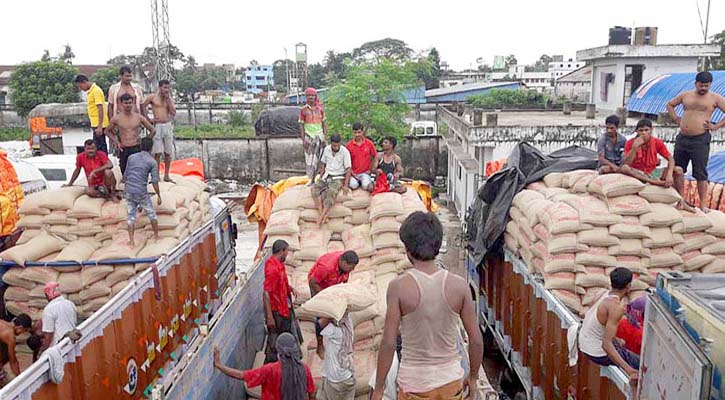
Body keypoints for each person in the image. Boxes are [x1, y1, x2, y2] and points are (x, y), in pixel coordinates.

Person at [372, 212, 483, 400]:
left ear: (408, 250)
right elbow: (476, 340)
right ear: (438, 246)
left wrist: (379, 389)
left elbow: (389, 343)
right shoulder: (459, 286)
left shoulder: (398, 287)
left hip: (414, 386)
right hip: (451, 383)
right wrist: (472, 377)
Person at [667, 71, 725, 212]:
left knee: (700, 173)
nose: (703, 88)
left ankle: (703, 205)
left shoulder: (715, 98)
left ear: (710, 85)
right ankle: (678, 199)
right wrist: (676, 118)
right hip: (683, 138)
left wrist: (715, 126)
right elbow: (670, 104)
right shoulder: (686, 95)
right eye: (701, 85)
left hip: (700, 139)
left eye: (706, 86)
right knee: (678, 170)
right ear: (696, 83)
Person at [213, 332, 316, 400]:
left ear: (278, 351)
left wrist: (219, 365)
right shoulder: (304, 369)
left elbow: (241, 375)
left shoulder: (270, 370)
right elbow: (311, 392)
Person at [579, 267, 640, 379]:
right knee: (641, 364)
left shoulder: (601, 293)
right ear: (628, 287)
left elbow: (597, 322)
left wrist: (616, 340)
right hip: (597, 353)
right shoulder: (616, 308)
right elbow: (606, 345)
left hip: (584, 344)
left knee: (622, 347)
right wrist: (629, 370)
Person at [620, 119, 690, 210]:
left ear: (651, 130)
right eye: (641, 130)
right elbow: (626, 163)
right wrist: (634, 148)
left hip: (653, 172)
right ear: (637, 131)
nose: (644, 133)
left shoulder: (657, 142)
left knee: (679, 170)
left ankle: (681, 201)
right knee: (625, 168)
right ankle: (655, 182)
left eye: (646, 130)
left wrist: (669, 174)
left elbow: (670, 159)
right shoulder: (630, 143)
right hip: (638, 173)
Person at [308, 250, 359, 359]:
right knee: (321, 316)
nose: (352, 270)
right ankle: (320, 345)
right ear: (343, 262)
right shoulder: (326, 267)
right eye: (351, 267)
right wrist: (326, 296)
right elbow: (312, 282)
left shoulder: (346, 267)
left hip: (332, 285)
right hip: (318, 285)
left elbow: (345, 281)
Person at [264, 240, 300, 362]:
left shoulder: (278, 265)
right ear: (282, 251)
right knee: (276, 340)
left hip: (284, 307)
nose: (288, 255)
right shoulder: (272, 269)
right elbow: (266, 293)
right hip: (277, 311)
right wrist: (269, 316)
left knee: (285, 335)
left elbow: (280, 284)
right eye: (287, 251)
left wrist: (290, 288)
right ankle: (274, 364)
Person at [124, 137, 162, 245]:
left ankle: (131, 240)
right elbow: (154, 181)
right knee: (151, 214)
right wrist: (159, 195)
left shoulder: (131, 158)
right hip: (141, 192)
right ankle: (156, 236)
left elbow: (125, 175)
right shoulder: (152, 162)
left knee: (131, 216)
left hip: (129, 190)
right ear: (152, 148)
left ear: (140, 146)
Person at [107, 93, 156, 175]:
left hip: (136, 147)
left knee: (137, 171)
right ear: (121, 104)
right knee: (124, 170)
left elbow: (153, 130)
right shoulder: (117, 118)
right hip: (124, 147)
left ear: (133, 103)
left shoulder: (138, 117)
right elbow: (107, 131)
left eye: (130, 103)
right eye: (126, 103)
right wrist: (117, 142)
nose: (128, 105)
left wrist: (145, 142)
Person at [142, 79, 177, 183]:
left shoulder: (169, 99)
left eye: (168, 87)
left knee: (168, 152)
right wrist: (148, 119)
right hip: (157, 125)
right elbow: (143, 106)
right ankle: (156, 175)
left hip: (167, 124)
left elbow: (173, 112)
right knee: (157, 152)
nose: (167, 90)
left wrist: (168, 100)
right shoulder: (152, 97)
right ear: (160, 87)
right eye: (165, 87)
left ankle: (166, 175)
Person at [312, 134, 351, 226]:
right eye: (334, 145)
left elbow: (348, 169)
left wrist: (345, 185)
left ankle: (321, 218)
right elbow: (323, 164)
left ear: (340, 143)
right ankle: (322, 213)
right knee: (314, 190)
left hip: (338, 177)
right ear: (331, 144)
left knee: (331, 192)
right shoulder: (327, 149)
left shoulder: (345, 152)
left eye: (338, 145)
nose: (336, 147)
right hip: (327, 175)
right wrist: (321, 177)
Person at [317, 313, 355, 400]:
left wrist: (329, 314)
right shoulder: (348, 326)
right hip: (348, 375)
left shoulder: (335, 332)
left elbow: (319, 325)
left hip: (335, 380)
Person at [74, 74, 110, 153]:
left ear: (84, 82)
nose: (81, 89)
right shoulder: (91, 91)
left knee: (100, 147)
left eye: (80, 86)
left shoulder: (96, 91)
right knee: (98, 146)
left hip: (99, 124)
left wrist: (100, 126)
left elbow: (100, 108)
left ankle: (104, 163)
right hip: (95, 123)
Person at [299, 87, 327, 182]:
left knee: (321, 159)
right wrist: (303, 140)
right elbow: (301, 126)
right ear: (306, 97)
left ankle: (321, 178)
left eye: (313, 95)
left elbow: (324, 125)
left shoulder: (320, 110)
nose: (311, 97)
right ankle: (311, 179)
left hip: (320, 137)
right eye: (309, 96)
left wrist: (324, 138)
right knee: (310, 160)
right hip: (309, 137)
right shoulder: (303, 110)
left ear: (315, 97)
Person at [40, 282, 77, 351]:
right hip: (72, 342)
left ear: (48, 294)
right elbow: (74, 323)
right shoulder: (70, 304)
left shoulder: (49, 309)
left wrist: (44, 351)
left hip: (60, 347)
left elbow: (48, 334)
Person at [0, 314, 33, 381]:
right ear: (20, 327)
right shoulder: (10, 336)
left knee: (5, 350)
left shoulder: (3, 322)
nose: (21, 334)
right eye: (24, 331)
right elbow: (13, 361)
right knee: (8, 354)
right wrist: (19, 379)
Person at [346, 122, 376, 192]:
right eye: (355, 133)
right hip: (353, 173)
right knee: (353, 185)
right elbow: (346, 161)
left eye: (359, 132)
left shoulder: (369, 144)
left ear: (363, 132)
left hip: (365, 172)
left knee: (366, 186)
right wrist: (351, 172)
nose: (357, 135)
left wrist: (370, 169)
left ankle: (368, 182)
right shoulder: (349, 145)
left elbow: (374, 156)